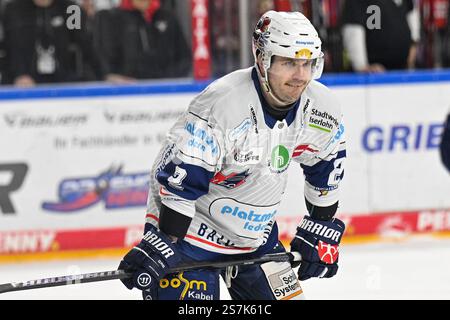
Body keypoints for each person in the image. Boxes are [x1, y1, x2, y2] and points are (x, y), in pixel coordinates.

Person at [118, 10, 347, 300]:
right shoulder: (223, 105)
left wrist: (321, 227)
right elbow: (182, 185)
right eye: (289, 62)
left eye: (307, 63)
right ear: (264, 60)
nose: (301, 76)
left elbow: (326, 168)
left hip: (257, 239)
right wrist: (165, 240)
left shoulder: (322, 108)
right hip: (189, 236)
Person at [2, 0, 104, 86]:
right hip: (24, 81)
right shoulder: (13, 9)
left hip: (64, 80)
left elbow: (86, 45)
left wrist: (105, 74)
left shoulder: (72, 10)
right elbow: (10, 46)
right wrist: (20, 74)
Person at [94, 0, 191, 83]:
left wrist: (168, 80)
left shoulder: (168, 18)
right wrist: (109, 75)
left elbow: (184, 58)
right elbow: (102, 59)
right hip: (125, 93)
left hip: (165, 91)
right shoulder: (111, 18)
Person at [341, 0, 420, 72]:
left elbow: (411, 12)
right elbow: (353, 29)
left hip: (403, 70)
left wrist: (413, 45)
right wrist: (361, 66)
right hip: (374, 75)